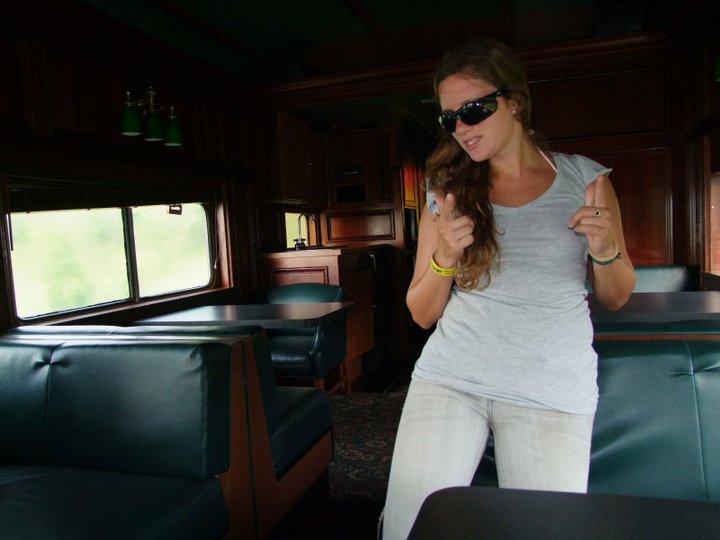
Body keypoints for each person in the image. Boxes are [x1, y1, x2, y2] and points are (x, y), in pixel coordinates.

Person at [381, 37, 636, 539]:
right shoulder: (446, 191)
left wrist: (605, 250)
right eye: (449, 118)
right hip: (451, 379)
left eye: (473, 110)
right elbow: (421, 313)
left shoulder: (586, 180)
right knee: (408, 530)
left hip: (551, 389)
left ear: (514, 101)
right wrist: (444, 259)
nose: (461, 128)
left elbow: (616, 295)